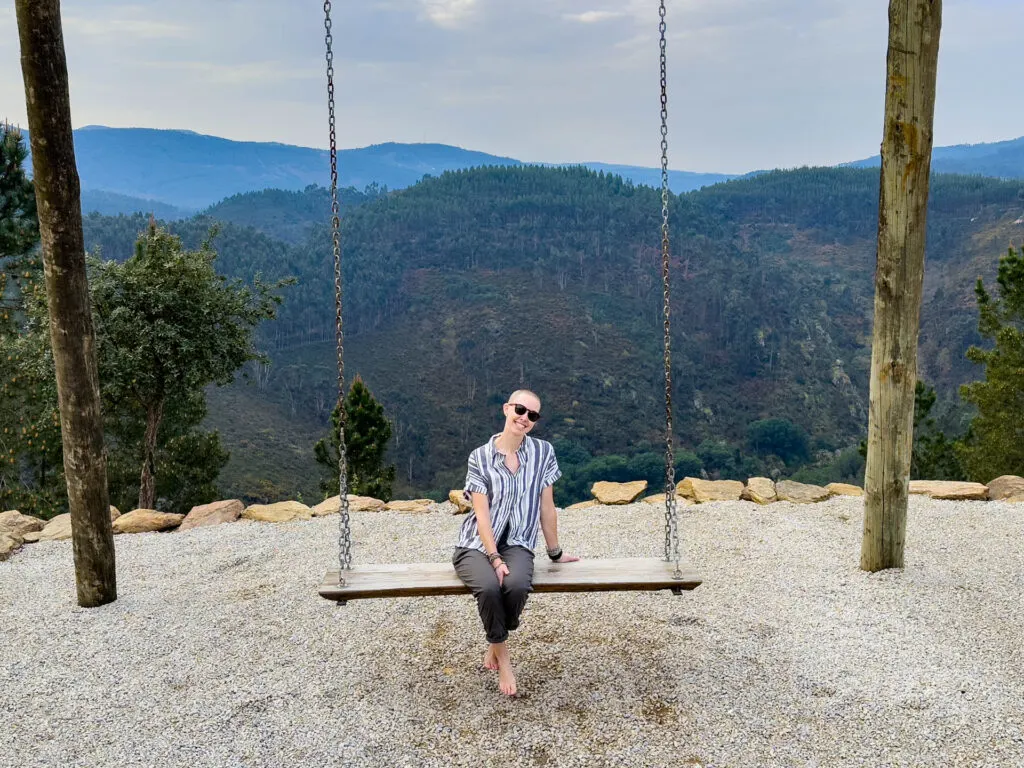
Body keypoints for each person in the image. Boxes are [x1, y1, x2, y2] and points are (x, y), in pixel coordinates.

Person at [453, 389, 579, 696]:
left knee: (518, 586)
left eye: (532, 415)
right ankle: (504, 659)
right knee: (488, 586)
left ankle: (494, 644)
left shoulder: (543, 453)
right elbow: (481, 516)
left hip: (518, 542)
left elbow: (546, 506)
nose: (524, 418)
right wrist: (494, 558)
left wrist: (555, 552)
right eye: (520, 410)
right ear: (507, 408)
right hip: (475, 544)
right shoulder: (480, 457)